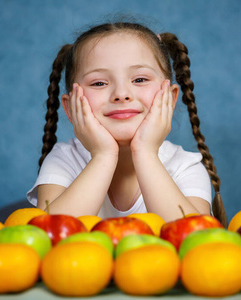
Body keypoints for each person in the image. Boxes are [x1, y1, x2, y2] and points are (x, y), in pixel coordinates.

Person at [27, 21, 227, 227]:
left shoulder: (185, 167)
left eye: (140, 79)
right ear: (70, 108)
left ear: (170, 97)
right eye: (99, 83)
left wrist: (146, 152)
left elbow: (193, 242)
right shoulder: (64, 160)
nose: (121, 94)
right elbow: (49, 235)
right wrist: (102, 155)